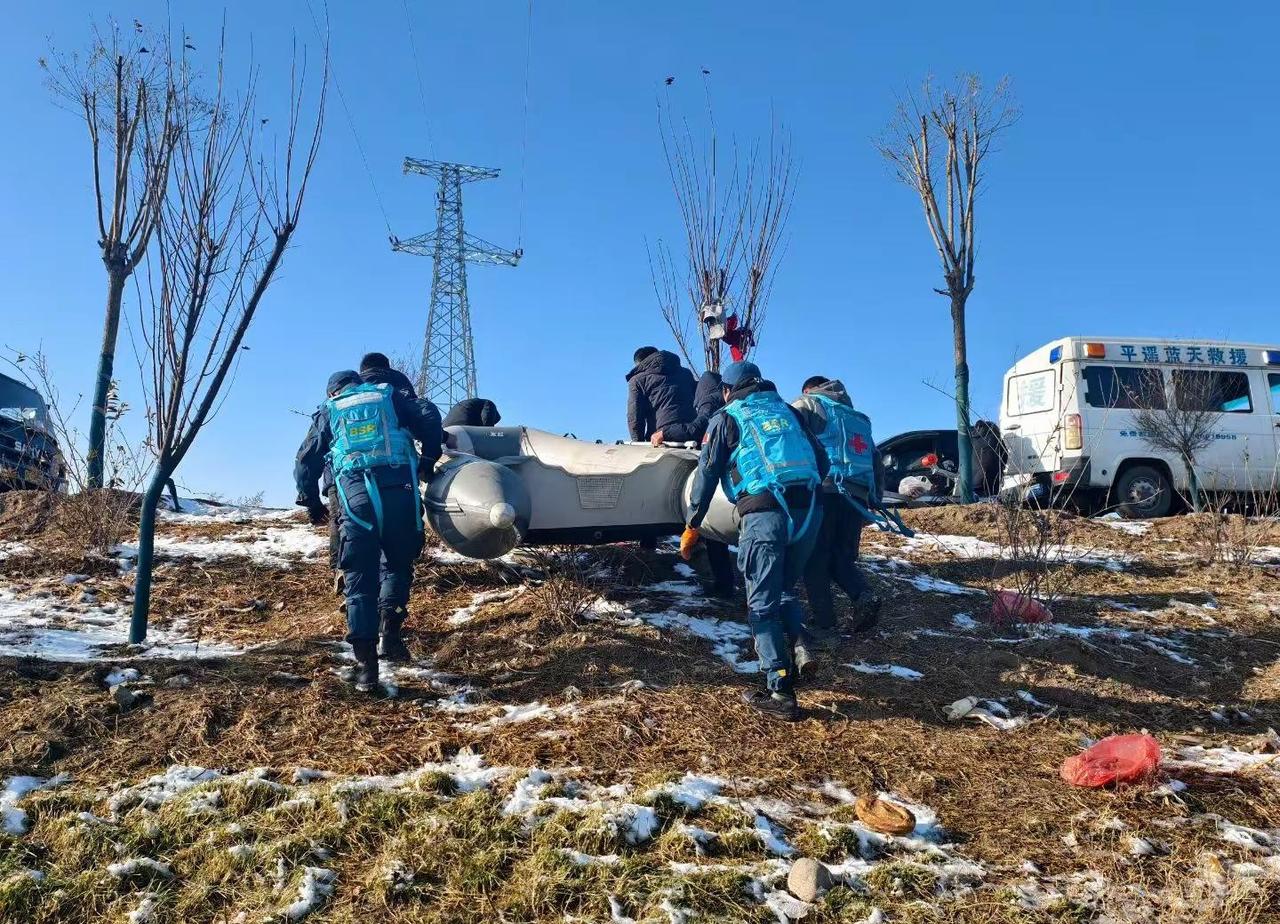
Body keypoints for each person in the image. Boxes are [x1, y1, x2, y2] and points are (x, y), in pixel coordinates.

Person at [682, 360, 828, 721]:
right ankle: (799, 644)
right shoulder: (789, 413)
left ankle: (780, 692)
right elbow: (822, 462)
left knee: (761, 603)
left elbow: (707, 472)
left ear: (727, 391)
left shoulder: (727, 417)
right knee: (784, 588)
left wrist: (693, 522)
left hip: (764, 515)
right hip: (810, 512)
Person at [295, 369, 443, 693]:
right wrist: (429, 458)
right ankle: (391, 635)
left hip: (356, 500)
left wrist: (311, 502)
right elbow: (429, 415)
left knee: (359, 574)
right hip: (400, 492)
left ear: (333, 391)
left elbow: (306, 460)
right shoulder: (389, 396)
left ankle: (366, 668)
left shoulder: (331, 409)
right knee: (397, 565)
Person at [792, 376, 883, 644]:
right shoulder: (856, 418)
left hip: (825, 489)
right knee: (840, 556)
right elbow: (875, 459)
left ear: (809, 389)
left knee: (814, 559)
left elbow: (788, 435)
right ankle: (863, 594)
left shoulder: (808, 404)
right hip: (857, 495)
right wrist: (874, 499)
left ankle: (825, 625)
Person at [650, 370, 736, 599]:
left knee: (714, 534)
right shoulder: (737, 406)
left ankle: (724, 587)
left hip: (718, 480)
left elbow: (697, 428)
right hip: (743, 483)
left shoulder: (710, 403)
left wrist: (665, 432)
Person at [626, 346, 696, 443]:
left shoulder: (637, 380)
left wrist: (638, 442)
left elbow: (635, 416)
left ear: (639, 364)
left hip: (660, 436)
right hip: (691, 433)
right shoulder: (686, 373)